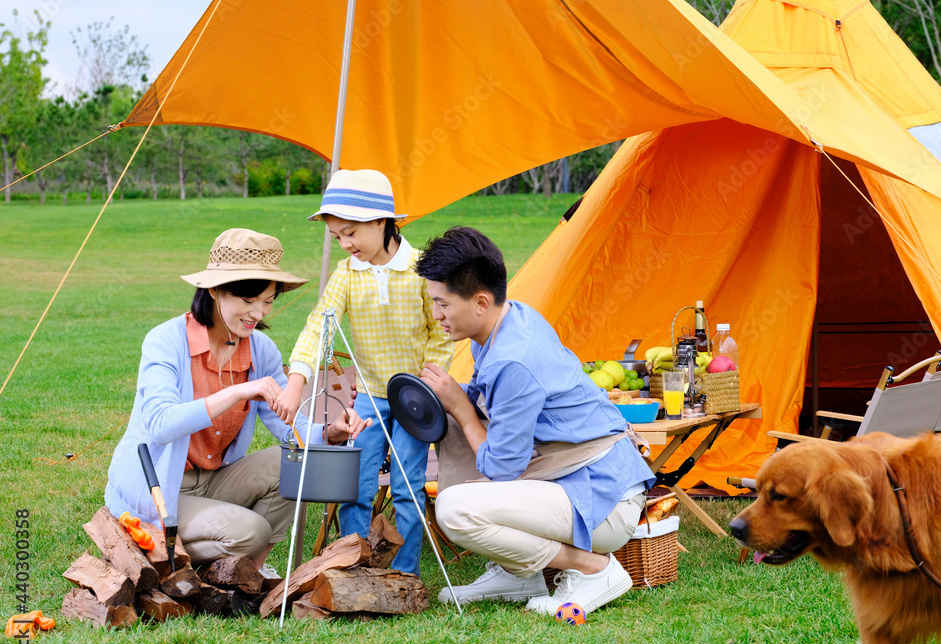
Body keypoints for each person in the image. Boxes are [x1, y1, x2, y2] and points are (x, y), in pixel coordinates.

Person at [416, 227, 656, 616]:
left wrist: (459, 406)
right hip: (568, 477)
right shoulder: (505, 321)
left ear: (480, 301)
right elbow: (487, 401)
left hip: (601, 500)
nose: (436, 314)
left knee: (454, 510)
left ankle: (594, 569)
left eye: (442, 304)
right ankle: (517, 574)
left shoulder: (514, 358)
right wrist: (444, 398)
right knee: (456, 414)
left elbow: (501, 468)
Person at [105, 228, 370, 569]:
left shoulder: (261, 350)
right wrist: (239, 391)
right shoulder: (166, 341)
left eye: (268, 301)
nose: (258, 313)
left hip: (215, 479)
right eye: (247, 300)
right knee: (251, 531)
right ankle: (161, 547)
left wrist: (328, 433)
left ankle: (251, 570)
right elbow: (159, 425)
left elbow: (288, 424)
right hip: (160, 488)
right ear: (214, 290)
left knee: (297, 462)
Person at [274, 169, 453, 576]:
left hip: (416, 399)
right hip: (370, 397)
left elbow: (440, 333)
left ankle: (404, 576)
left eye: (351, 232)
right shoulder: (347, 273)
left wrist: (426, 386)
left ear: (381, 221)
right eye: (337, 236)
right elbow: (320, 323)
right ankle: (353, 571)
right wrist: (297, 381)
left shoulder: (420, 272)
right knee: (356, 487)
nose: (345, 243)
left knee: (408, 488)